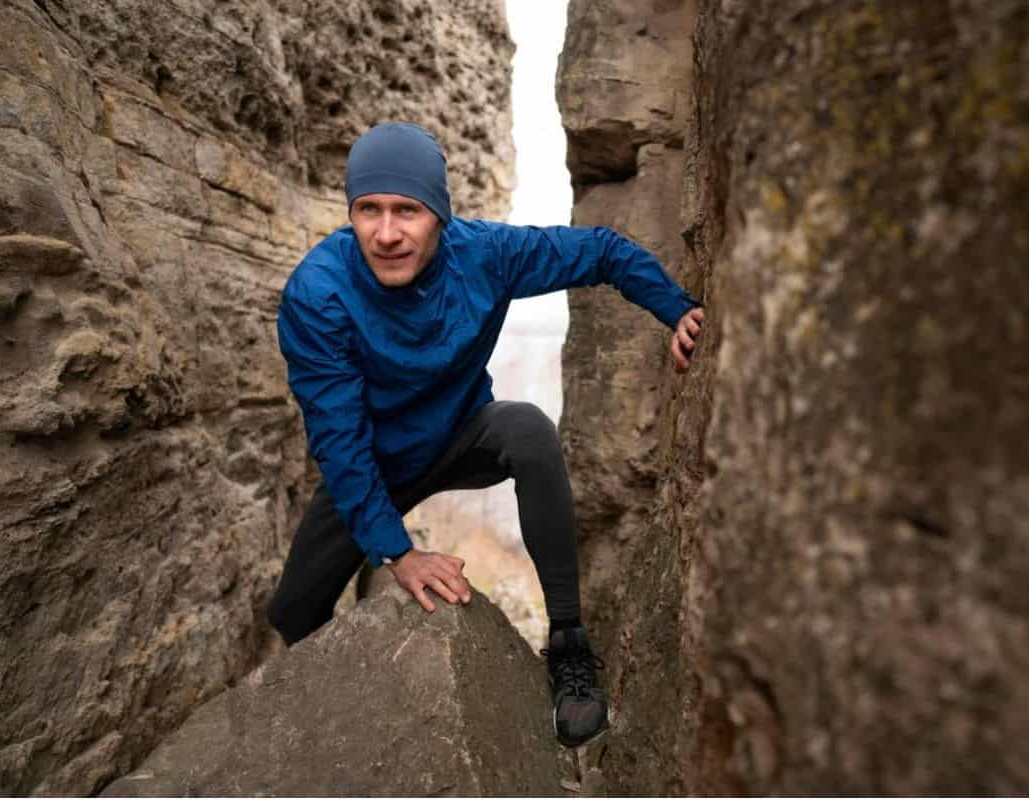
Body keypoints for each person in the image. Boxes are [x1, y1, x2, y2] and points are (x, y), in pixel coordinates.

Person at [267, 122, 704, 747]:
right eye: (368, 210)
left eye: (407, 211)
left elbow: (603, 251)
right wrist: (400, 553)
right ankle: (367, 578)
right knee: (293, 613)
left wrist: (677, 310)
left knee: (526, 429)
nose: (386, 233)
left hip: (459, 436)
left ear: (439, 215)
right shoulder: (318, 292)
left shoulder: (485, 255)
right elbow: (339, 441)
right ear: (352, 213)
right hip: (372, 463)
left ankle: (569, 649)